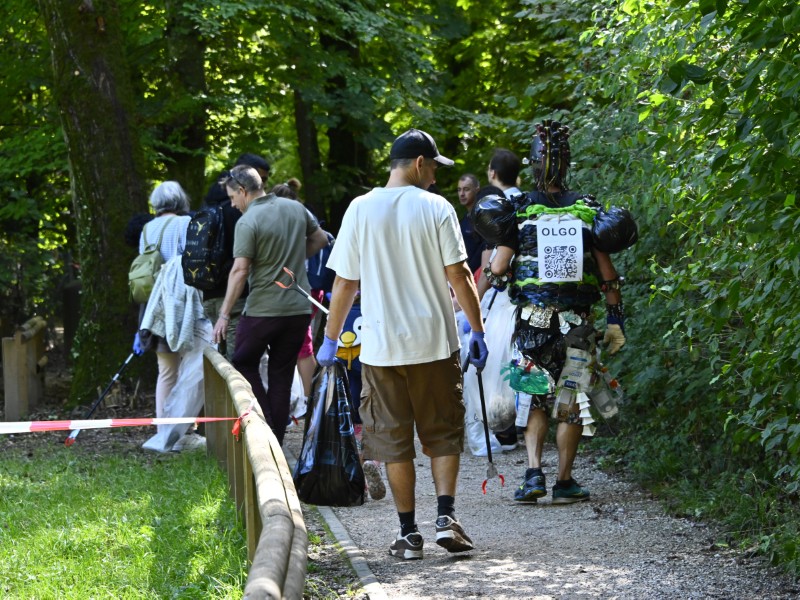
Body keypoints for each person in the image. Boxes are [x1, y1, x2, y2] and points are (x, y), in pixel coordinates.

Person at [316, 128, 488, 560]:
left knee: (393, 442)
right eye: (434, 168)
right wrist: (478, 329)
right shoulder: (436, 207)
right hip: (435, 343)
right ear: (419, 163)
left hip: (380, 349)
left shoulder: (360, 208)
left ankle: (409, 534)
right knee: (443, 433)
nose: (436, 177)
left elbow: (345, 283)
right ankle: (446, 518)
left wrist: (331, 339)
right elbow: (459, 275)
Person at [480, 120, 626, 504]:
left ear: (532, 164)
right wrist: (615, 319)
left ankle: (533, 474)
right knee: (571, 400)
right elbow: (608, 275)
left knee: (535, 398)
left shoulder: (519, 209)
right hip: (578, 328)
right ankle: (564, 481)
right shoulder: (587, 210)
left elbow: (498, 268)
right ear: (567, 164)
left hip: (532, 324)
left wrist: (487, 288)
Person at [211, 166, 328, 445]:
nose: (232, 204)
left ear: (243, 191)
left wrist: (224, 315)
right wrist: (295, 259)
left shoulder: (248, 221)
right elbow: (321, 239)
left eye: (232, 198)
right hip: (298, 309)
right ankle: (276, 440)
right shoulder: (295, 208)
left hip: (263, 309)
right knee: (281, 375)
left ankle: (266, 431)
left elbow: (240, 270)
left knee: (242, 361)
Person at [132, 181, 192, 423]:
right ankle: (186, 427)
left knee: (166, 371)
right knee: (190, 369)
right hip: (181, 304)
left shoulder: (147, 229)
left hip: (154, 306)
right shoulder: (185, 223)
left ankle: (164, 429)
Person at [201, 153, 271, 359]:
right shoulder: (240, 210)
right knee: (240, 363)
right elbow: (242, 266)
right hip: (237, 297)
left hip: (210, 294)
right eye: (260, 179)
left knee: (223, 362)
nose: (262, 186)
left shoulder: (209, 205)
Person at [457, 173, 484, 274]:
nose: (462, 194)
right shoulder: (464, 219)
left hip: (478, 275)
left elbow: (484, 249)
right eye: (459, 189)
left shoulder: (482, 218)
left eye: (466, 189)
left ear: (477, 190)